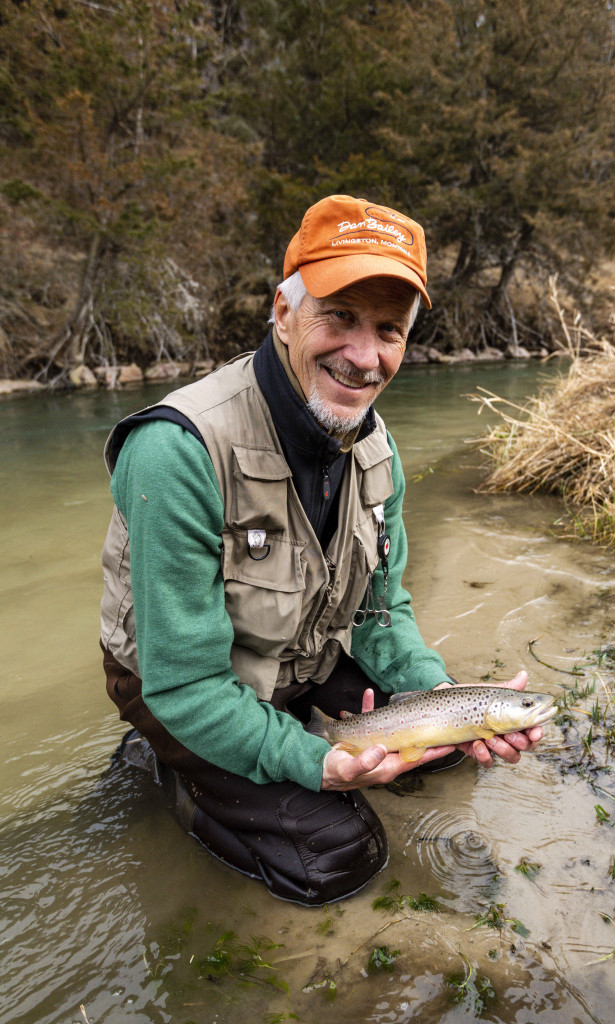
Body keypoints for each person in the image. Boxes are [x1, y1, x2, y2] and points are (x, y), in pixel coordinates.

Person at [100, 194, 543, 906]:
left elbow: (379, 610)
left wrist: (441, 695)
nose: (364, 357)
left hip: (300, 658)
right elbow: (184, 683)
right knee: (336, 858)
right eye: (338, 316)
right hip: (182, 689)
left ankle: (274, 746)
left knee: (445, 753)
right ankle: (168, 774)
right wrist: (320, 764)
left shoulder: (377, 447)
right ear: (283, 311)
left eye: (388, 330)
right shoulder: (173, 451)